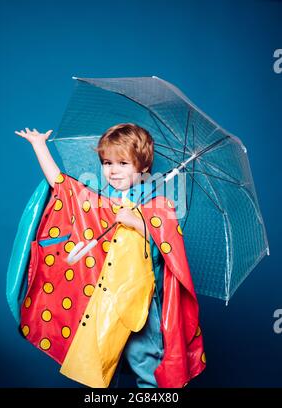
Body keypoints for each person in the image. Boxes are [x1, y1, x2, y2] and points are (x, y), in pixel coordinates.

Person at [12, 123, 206, 388]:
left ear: (143, 167)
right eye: (106, 162)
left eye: (123, 163)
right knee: (101, 362)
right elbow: (62, 185)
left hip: (142, 306)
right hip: (104, 300)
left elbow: (168, 247)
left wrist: (139, 222)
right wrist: (39, 146)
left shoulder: (159, 206)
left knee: (146, 361)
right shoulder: (100, 202)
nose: (113, 170)